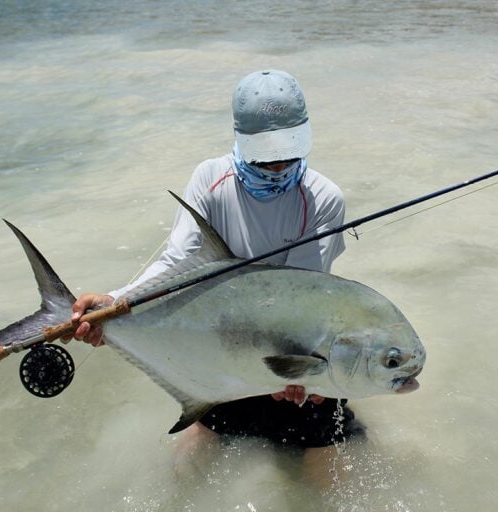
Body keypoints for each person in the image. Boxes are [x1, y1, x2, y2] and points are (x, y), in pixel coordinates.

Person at [67, 70, 364, 451]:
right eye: (267, 151)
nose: (278, 163)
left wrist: (308, 376)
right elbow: (179, 263)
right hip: (221, 348)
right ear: (241, 137)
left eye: (289, 147)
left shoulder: (324, 198)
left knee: (324, 450)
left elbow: (302, 297)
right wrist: (114, 304)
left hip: (290, 354)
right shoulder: (209, 178)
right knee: (199, 444)